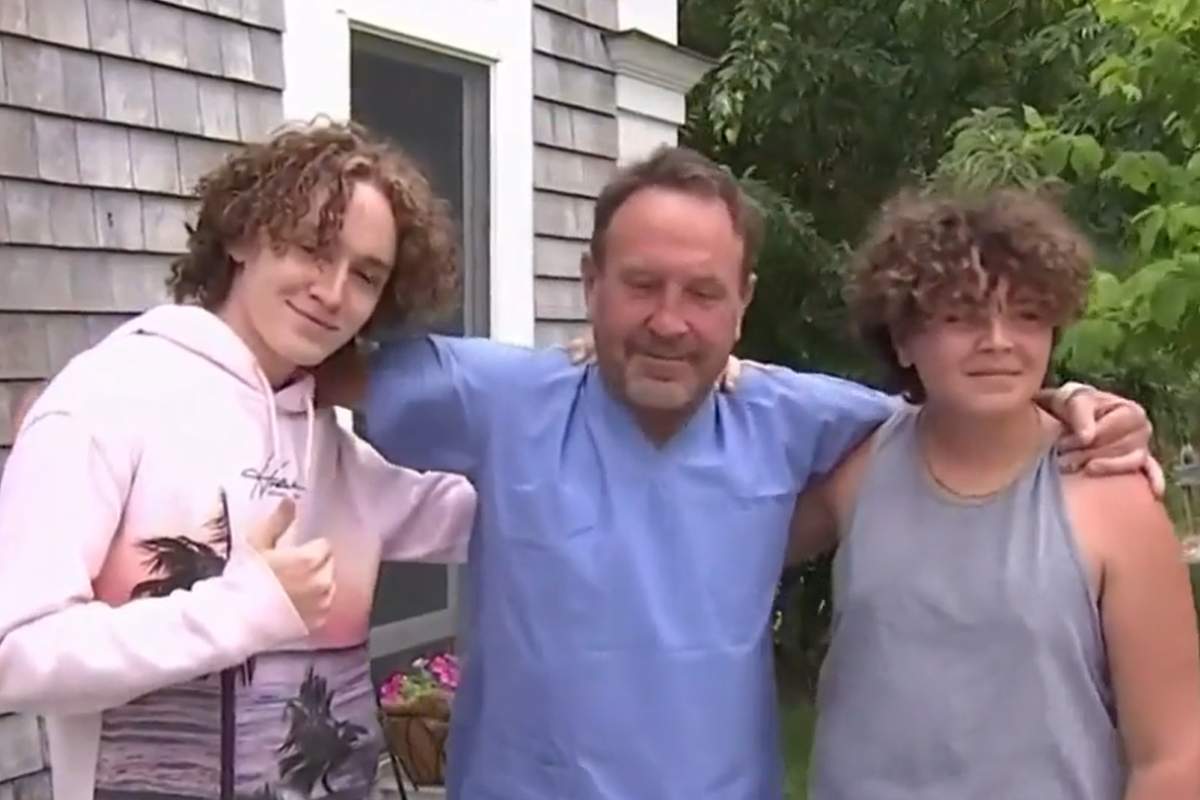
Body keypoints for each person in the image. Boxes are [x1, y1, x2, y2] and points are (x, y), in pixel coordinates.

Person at [332, 145, 1155, 799]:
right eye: (642, 286)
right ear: (591, 284)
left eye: (702, 293)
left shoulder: (799, 419)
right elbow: (311, 357)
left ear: (743, 303)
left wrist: (1068, 405)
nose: (668, 321)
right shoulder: (496, 398)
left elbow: (961, 410)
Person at [0, 122, 477, 800]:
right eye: (313, 248)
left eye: (366, 276)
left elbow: (514, 507)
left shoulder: (339, 454)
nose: (334, 291)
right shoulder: (105, 400)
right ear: (241, 235)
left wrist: (588, 388)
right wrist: (243, 609)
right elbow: (16, 655)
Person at [794, 188, 1200, 798]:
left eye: (1027, 315)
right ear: (903, 338)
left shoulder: (1113, 498)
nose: (998, 340)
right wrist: (716, 374)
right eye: (962, 317)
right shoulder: (858, 465)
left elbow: (1172, 755)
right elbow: (722, 552)